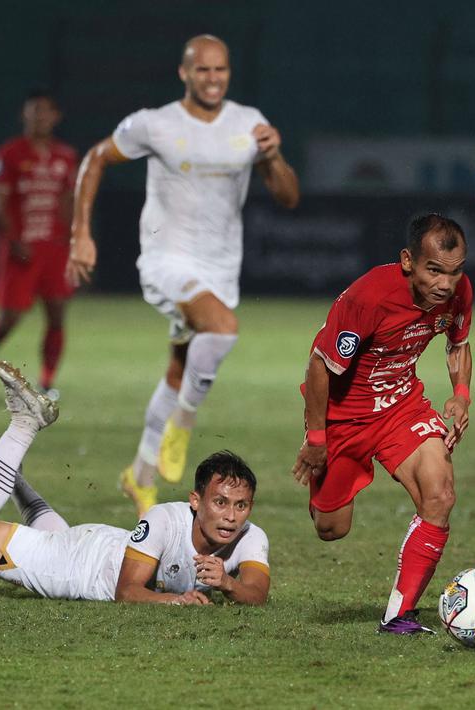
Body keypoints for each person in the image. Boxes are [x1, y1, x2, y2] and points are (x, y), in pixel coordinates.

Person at [67, 35, 300, 517]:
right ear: (184, 73)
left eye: (221, 70)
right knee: (222, 328)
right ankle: (184, 424)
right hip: (166, 259)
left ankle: (141, 473)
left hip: (220, 265)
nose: (212, 79)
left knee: (181, 366)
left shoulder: (248, 122)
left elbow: (289, 197)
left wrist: (274, 156)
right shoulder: (155, 124)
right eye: (203, 71)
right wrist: (80, 234)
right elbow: (94, 159)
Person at [0, 360, 271, 604]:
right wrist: (177, 601)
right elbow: (126, 591)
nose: (231, 515)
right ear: (196, 501)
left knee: (51, 537)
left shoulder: (249, 535)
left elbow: (257, 594)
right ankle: (24, 424)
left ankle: (9, 474)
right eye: (220, 502)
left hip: (91, 542)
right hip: (71, 567)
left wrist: (229, 584)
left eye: (241, 506)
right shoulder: (164, 519)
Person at [292, 214, 472, 634]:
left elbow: (458, 346)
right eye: (435, 270)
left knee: (440, 493)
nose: (446, 283)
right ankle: (329, 485)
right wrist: (317, 437)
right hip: (344, 417)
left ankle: (400, 614)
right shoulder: (368, 298)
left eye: (455, 270)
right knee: (331, 529)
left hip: (401, 407)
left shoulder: (459, 293)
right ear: (408, 261)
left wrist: (461, 395)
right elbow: (320, 365)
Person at [0, 90, 78, 397]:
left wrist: (74, 236)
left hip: (55, 249)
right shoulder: (10, 154)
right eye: (34, 111)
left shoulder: (66, 156)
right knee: (10, 319)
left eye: (46, 112)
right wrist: (14, 239)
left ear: (56, 117)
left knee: (57, 313)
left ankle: (47, 381)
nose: (40, 117)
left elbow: (69, 199)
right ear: (24, 116)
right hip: (23, 248)